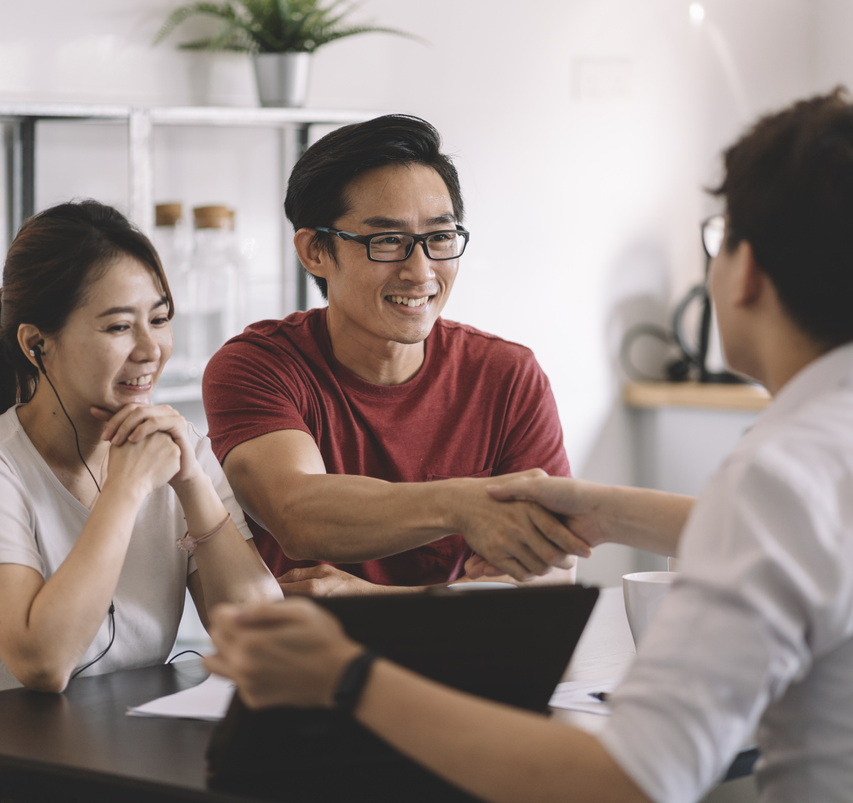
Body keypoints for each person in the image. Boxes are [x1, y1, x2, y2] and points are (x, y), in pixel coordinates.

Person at [202, 91, 853, 803]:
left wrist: (347, 677)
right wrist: (598, 510)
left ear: (743, 273)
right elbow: (830, 535)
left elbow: (626, 789)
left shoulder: (788, 471)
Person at [0, 201, 281, 803]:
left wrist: (192, 488)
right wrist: (128, 490)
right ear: (37, 344)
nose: (150, 349)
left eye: (159, 320)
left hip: (103, 760)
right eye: (117, 327)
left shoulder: (174, 449)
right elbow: (44, 661)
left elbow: (260, 631)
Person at [201, 114, 590, 596]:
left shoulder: (507, 375)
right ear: (316, 251)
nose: (421, 270)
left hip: (463, 666)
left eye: (440, 237)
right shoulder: (258, 367)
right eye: (387, 240)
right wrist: (464, 503)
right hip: (306, 667)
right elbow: (299, 512)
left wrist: (374, 601)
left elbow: (548, 576)